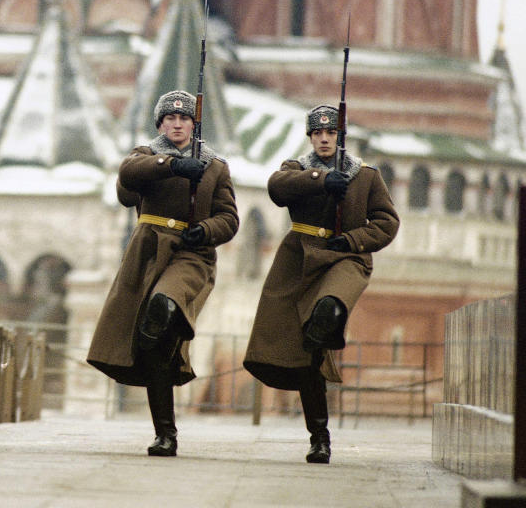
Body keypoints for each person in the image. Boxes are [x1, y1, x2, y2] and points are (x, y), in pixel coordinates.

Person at [243, 105, 399, 464]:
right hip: (299, 260)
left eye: (331, 134)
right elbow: (276, 188)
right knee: (306, 358)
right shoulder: (297, 169)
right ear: (311, 137)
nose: (325, 139)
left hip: (345, 258)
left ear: (341, 137)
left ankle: (323, 335)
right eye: (318, 134)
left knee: (328, 309)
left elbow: (387, 222)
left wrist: (354, 240)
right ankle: (320, 436)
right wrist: (320, 179)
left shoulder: (367, 176)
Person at [87, 90, 239, 457]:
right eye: (169, 119)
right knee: (155, 348)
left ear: (193, 124)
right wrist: (171, 165)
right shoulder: (145, 156)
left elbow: (229, 218)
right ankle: (165, 433)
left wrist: (206, 230)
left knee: (163, 304)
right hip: (148, 252)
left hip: (191, 254)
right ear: (160, 124)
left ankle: (158, 338)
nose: (176, 124)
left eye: (184, 118)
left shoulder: (214, 165)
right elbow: (127, 177)